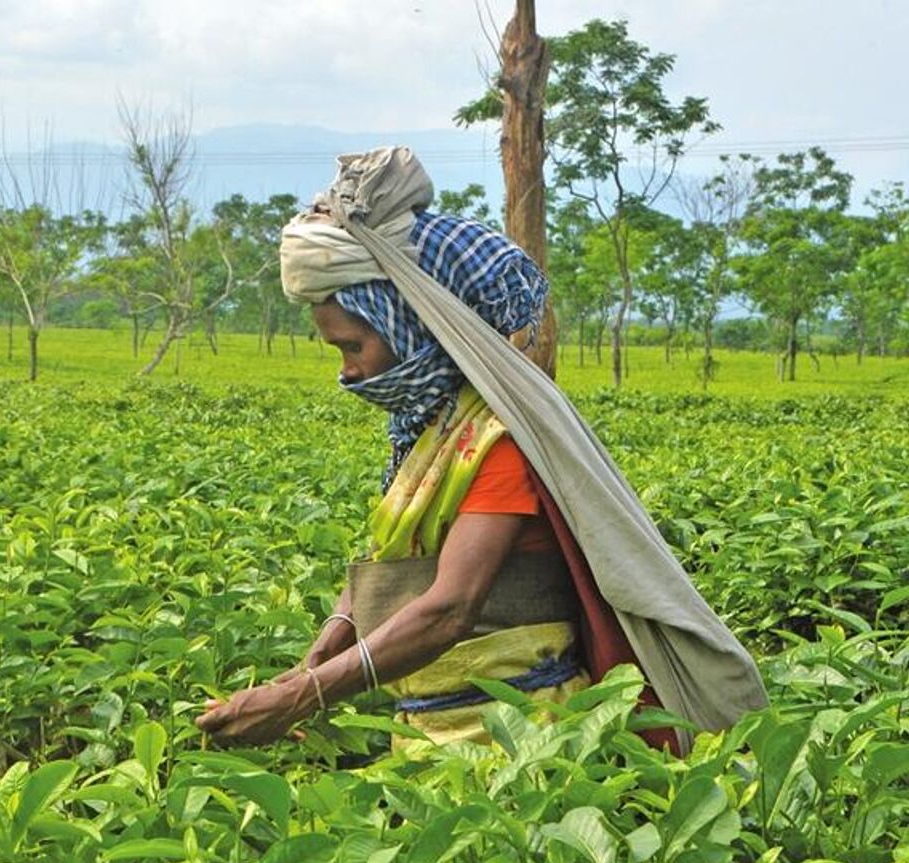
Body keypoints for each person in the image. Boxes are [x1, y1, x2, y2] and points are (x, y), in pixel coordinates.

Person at [196, 147, 762, 752]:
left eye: (354, 346)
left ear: (410, 327)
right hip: (428, 727)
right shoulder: (431, 429)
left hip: (520, 742)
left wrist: (302, 697)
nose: (349, 373)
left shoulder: (497, 441)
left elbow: (450, 607)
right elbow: (405, 559)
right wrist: (332, 636)